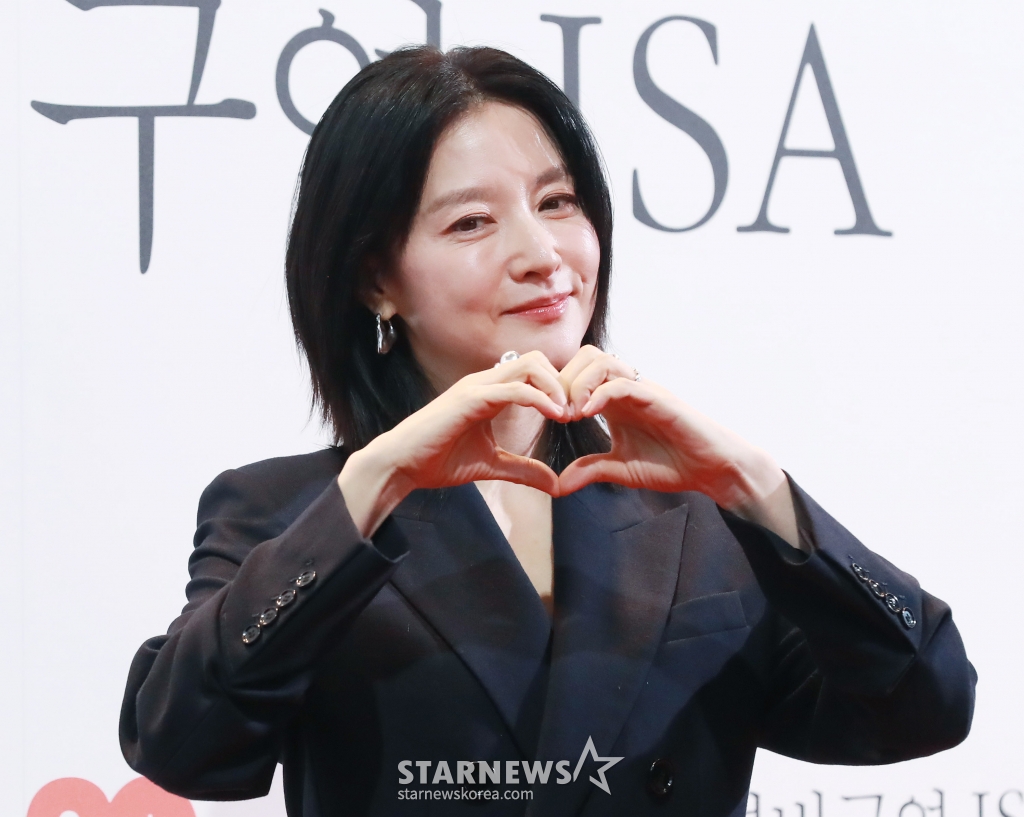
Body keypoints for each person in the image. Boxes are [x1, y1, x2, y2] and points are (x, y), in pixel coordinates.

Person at [119, 46, 976, 816]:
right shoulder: (295, 512)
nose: (543, 253)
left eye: (557, 201)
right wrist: (373, 487)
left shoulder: (704, 515)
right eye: (471, 221)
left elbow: (926, 702)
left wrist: (760, 490)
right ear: (377, 280)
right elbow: (185, 745)